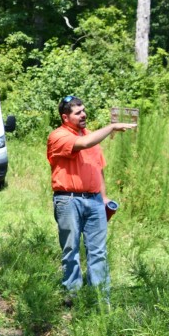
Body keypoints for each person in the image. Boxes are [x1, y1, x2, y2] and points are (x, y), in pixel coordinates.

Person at [47, 95, 136, 299]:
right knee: (71, 250)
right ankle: (73, 295)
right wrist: (111, 127)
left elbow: (99, 169)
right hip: (68, 200)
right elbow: (84, 143)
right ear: (65, 117)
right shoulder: (58, 136)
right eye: (78, 112)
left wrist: (104, 198)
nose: (84, 114)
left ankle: (100, 299)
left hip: (95, 201)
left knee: (98, 251)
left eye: (84, 110)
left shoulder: (92, 137)